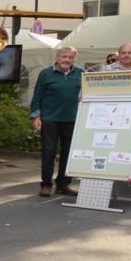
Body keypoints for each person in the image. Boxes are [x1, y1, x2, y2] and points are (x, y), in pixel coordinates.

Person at [30, 47, 83, 198]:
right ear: (57, 58)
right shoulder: (46, 73)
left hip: (72, 119)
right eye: (64, 56)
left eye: (71, 57)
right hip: (49, 119)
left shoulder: (80, 73)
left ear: (74, 59)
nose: (67, 59)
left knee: (68, 153)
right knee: (49, 153)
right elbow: (37, 97)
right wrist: (36, 117)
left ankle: (63, 185)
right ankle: (46, 185)